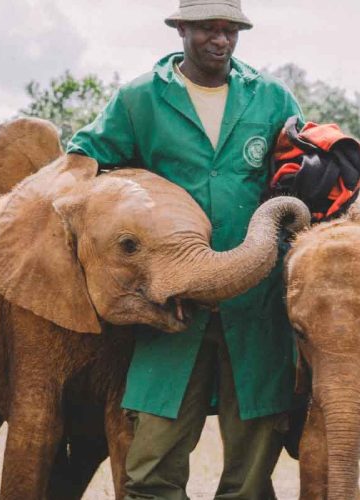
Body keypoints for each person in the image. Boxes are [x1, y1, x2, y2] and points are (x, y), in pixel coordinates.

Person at [67, 1, 303, 498]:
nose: (219, 40)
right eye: (206, 29)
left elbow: (297, 172)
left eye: (229, 30)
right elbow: (85, 158)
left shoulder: (272, 99)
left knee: (253, 467)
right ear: (181, 29)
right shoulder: (140, 100)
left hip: (255, 300)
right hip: (172, 302)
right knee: (150, 466)